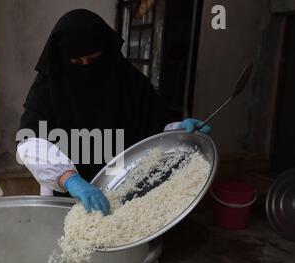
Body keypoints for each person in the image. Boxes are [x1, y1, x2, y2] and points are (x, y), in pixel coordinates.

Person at [17, 9, 211, 216]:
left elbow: (152, 129)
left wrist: (177, 130)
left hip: (124, 186)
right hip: (66, 192)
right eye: (76, 62)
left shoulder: (131, 82)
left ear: (107, 52)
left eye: (93, 58)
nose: (86, 68)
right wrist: (69, 179)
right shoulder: (47, 88)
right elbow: (29, 142)